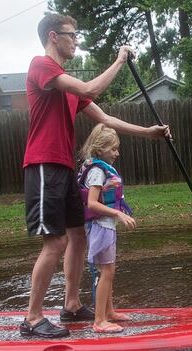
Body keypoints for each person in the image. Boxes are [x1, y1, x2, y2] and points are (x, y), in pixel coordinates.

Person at [20, 13, 169, 338]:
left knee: (78, 236)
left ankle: (71, 306)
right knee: (56, 241)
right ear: (53, 37)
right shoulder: (41, 65)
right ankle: (32, 318)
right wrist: (118, 60)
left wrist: (149, 132)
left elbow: (106, 118)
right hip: (43, 166)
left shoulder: (69, 88)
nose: (76, 40)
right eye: (71, 35)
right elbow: (91, 86)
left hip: (64, 168)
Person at [78, 124, 134, 333]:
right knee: (106, 271)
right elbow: (92, 203)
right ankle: (99, 320)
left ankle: (108, 312)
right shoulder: (96, 172)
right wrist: (118, 213)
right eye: (113, 149)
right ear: (100, 149)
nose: (117, 153)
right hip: (100, 225)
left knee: (108, 270)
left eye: (117, 148)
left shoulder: (101, 169)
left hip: (105, 225)